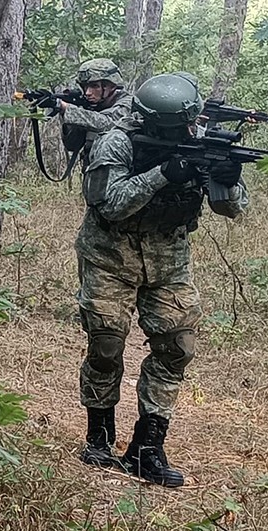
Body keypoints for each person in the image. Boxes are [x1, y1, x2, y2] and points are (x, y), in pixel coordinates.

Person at [74, 72, 247, 488]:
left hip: (169, 262)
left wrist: (225, 176)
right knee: (106, 342)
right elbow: (109, 204)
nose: (187, 130)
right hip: (109, 256)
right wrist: (163, 174)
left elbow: (234, 209)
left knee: (177, 347)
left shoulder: (202, 141)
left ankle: (147, 447)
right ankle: (99, 433)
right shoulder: (116, 142)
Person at [25, 57, 133, 168]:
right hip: (94, 177)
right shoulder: (92, 107)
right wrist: (65, 113)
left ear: (111, 85)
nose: (88, 92)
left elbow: (107, 123)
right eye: (85, 87)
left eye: (94, 86)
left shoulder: (129, 104)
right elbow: (72, 145)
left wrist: (65, 107)